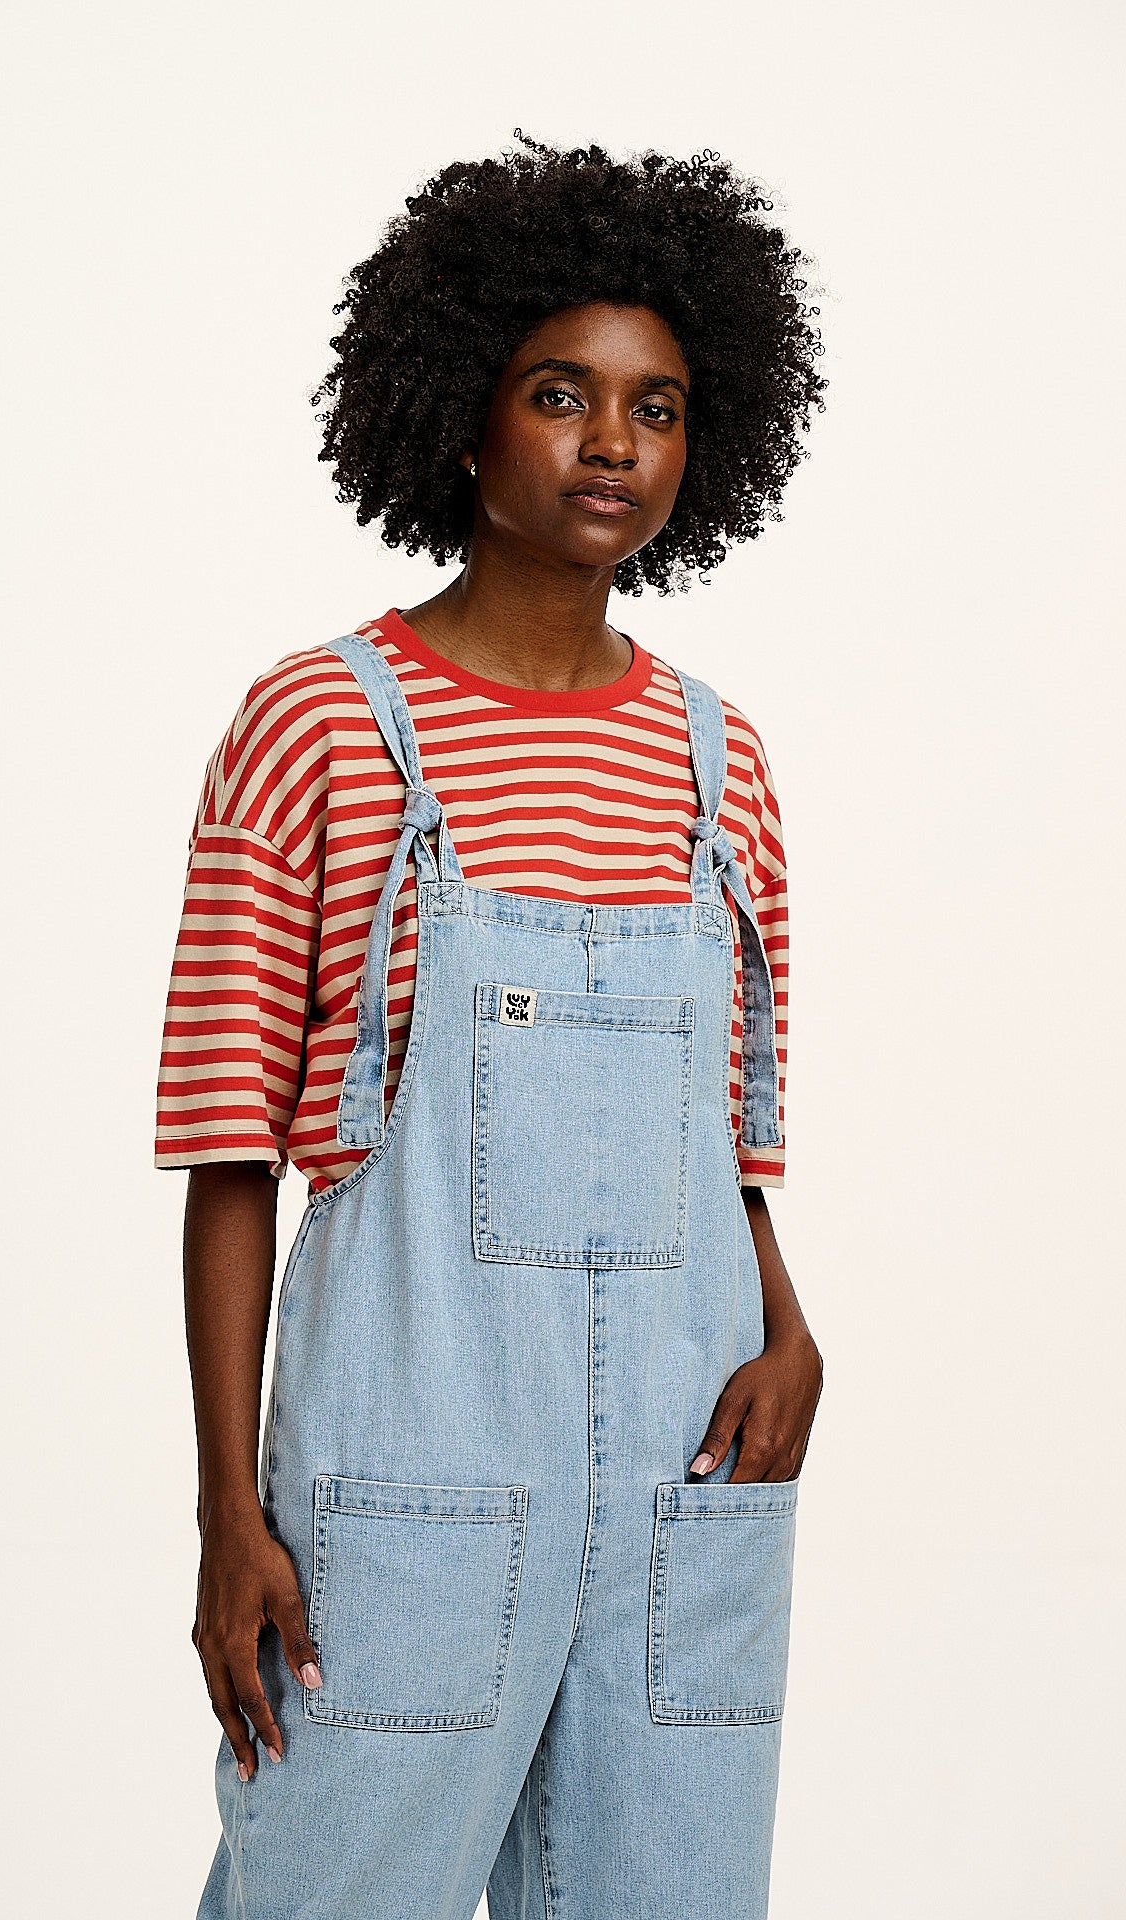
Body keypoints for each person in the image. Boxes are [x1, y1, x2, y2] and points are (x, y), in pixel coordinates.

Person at [155, 133, 827, 1920]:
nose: (613, 443)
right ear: (463, 417)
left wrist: (790, 1327)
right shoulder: (318, 728)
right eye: (561, 394)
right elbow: (228, 1154)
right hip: (406, 1489)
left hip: (689, 1476)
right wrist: (228, 1519)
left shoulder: (722, 761)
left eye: (657, 408)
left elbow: (732, 1146)